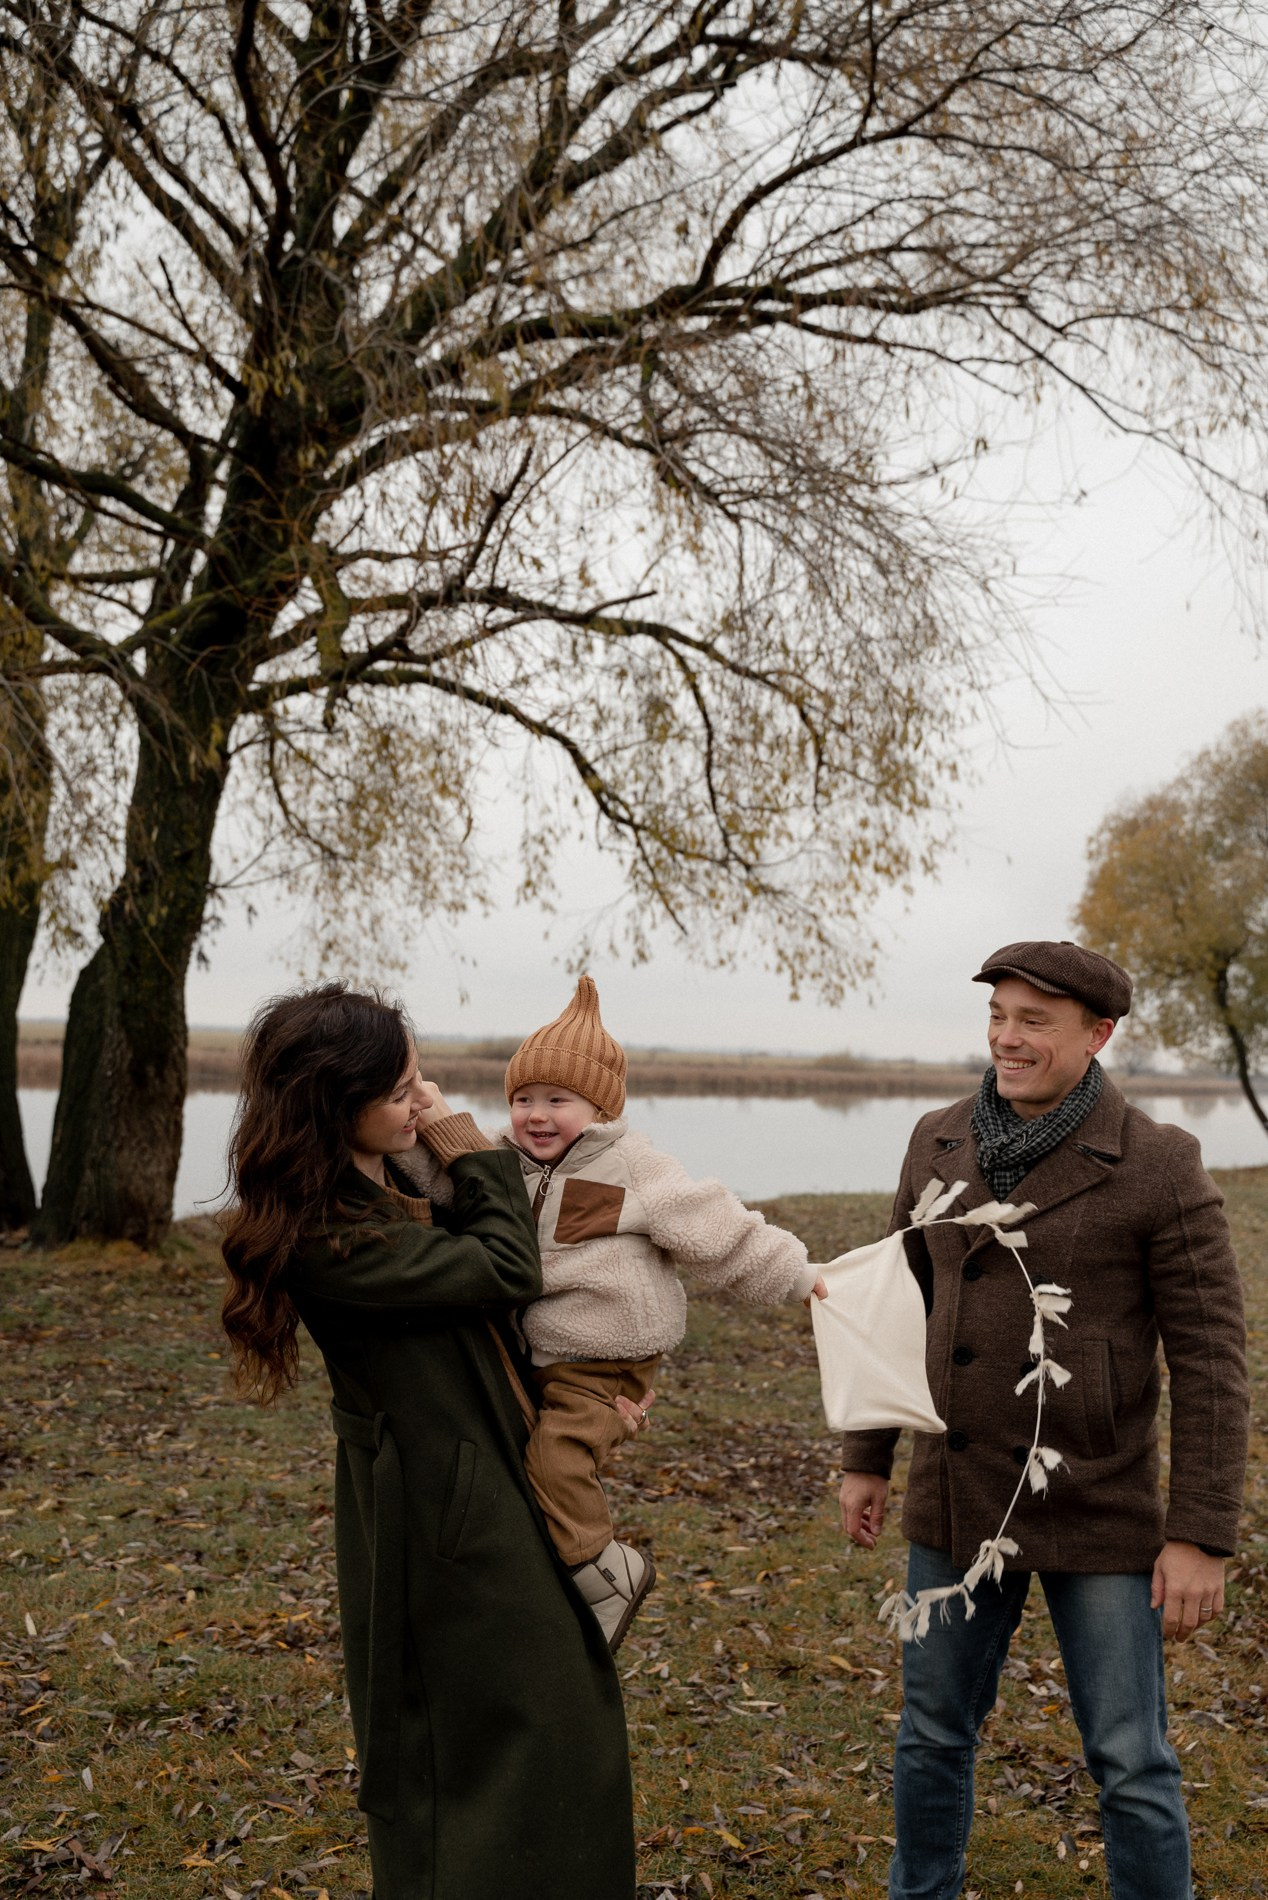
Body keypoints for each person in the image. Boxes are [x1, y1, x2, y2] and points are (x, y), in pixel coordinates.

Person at [838, 940, 1249, 1900]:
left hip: (1097, 1503)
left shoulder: (1158, 1162)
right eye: (997, 1016)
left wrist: (1199, 1533)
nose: (1007, 1039)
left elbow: (1211, 1360)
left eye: (1034, 1021)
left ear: (1098, 1035)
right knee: (931, 1733)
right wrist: (866, 1454)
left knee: (1130, 1759)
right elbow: (897, 1301)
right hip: (957, 1491)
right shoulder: (937, 1139)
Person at [220, 982, 643, 1900]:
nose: (422, 1101)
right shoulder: (329, 1241)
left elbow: (484, 1322)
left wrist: (589, 1388)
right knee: (478, 1734)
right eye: (399, 1090)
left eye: (421, 1079)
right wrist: (463, 1140)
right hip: (436, 1514)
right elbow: (505, 1267)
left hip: (483, 1475)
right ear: (337, 1106)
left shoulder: (387, 1189)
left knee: (553, 1715)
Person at [486, 975, 825, 1648]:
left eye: (558, 1100)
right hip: (540, 1349)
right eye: (524, 1099)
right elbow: (442, 1175)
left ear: (600, 1108)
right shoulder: (504, 1162)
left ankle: (606, 1573)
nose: (537, 1115)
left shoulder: (634, 1168)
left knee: (555, 1460)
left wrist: (797, 1273)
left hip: (606, 1356)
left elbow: (713, 1227)